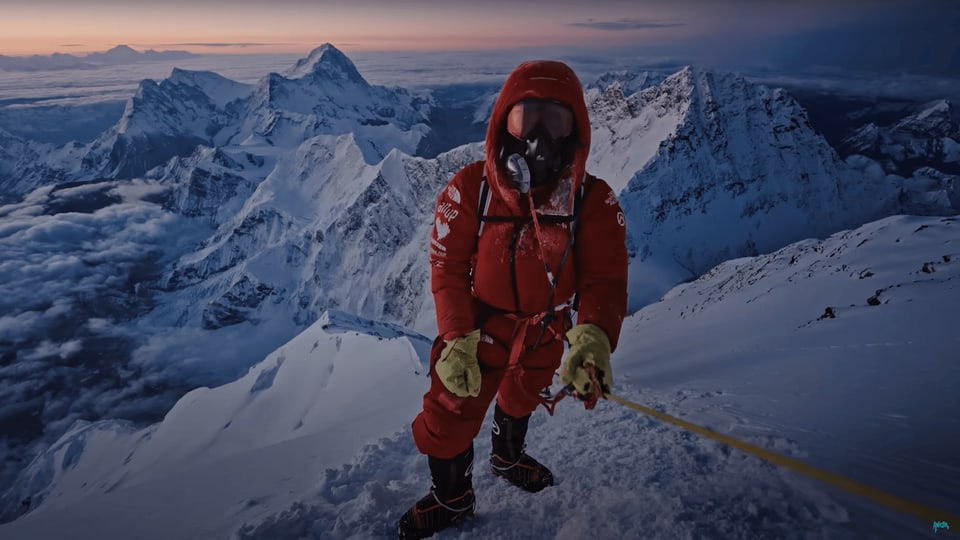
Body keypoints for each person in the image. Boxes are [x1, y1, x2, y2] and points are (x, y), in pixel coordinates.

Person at [397, 59, 628, 539]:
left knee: (522, 396)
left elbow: (604, 280)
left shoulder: (592, 201)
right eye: (527, 118)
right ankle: (452, 498)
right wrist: (458, 334)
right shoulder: (469, 190)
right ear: (504, 121)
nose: (540, 136)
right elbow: (447, 269)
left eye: (556, 120)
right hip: (480, 328)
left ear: (575, 130)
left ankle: (507, 457)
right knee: (450, 411)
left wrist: (592, 338)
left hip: (546, 326)